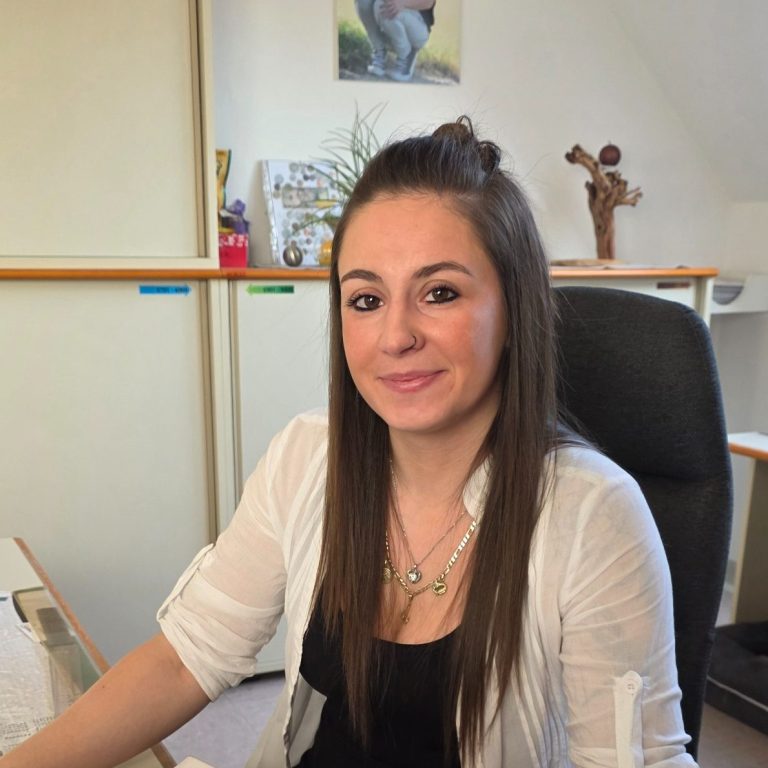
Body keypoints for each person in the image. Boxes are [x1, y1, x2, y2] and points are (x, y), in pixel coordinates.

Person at [0, 117, 698, 767]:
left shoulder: (592, 515)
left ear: (515, 310)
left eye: (440, 293)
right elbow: (185, 659)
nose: (395, 337)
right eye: (366, 300)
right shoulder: (308, 456)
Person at [355, 0, 435, 82]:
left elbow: (429, 2)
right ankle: (379, 52)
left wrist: (402, 3)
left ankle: (406, 57)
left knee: (383, 5)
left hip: (418, 29)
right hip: (393, 21)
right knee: (364, 1)